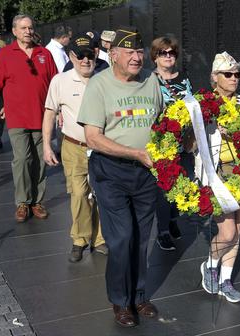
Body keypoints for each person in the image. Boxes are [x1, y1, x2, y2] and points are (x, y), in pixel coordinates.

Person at [77, 26, 164, 327]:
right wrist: (136, 153)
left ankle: (138, 296)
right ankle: (120, 301)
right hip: (110, 172)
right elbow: (92, 137)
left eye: (140, 51)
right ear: (113, 55)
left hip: (146, 175)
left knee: (140, 239)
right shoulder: (99, 85)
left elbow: (162, 122)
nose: (137, 57)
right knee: (121, 238)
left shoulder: (152, 81)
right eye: (130, 52)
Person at [199, 51, 240, 303]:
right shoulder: (203, 104)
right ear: (215, 77)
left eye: (237, 74)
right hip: (217, 171)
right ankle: (210, 265)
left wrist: (236, 130)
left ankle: (226, 279)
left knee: (237, 229)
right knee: (225, 233)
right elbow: (192, 141)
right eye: (228, 74)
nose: (234, 78)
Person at [0, 14, 58, 222]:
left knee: (41, 161)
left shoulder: (45, 54)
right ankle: (23, 202)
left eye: (30, 27)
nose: (28, 31)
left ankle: (37, 201)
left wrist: (60, 112)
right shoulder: (5, 54)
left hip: (43, 117)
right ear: (14, 31)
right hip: (17, 118)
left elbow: (56, 85)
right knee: (23, 159)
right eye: (23, 28)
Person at [43, 33, 107, 262]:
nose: (85, 60)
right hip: (73, 146)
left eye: (89, 55)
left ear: (96, 53)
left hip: (102, 148)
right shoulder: (60, 81)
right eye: (80, 56)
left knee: (101, 193)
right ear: (72, 56)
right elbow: (50, 112)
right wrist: (47, 146)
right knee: (79, 194)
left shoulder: (106, 79)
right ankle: (79, 239)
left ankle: (100, 239)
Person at [150, 36, 193, 251]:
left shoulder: (183, 78)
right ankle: (163, 231)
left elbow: (192, 105)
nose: (168, 56)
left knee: (182, 185)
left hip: (184, 143)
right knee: (164, 188)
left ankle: (173, 219)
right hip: (163, 143)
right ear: (155, 57)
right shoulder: (151, 80)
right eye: (163, 53)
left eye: (171, 53)